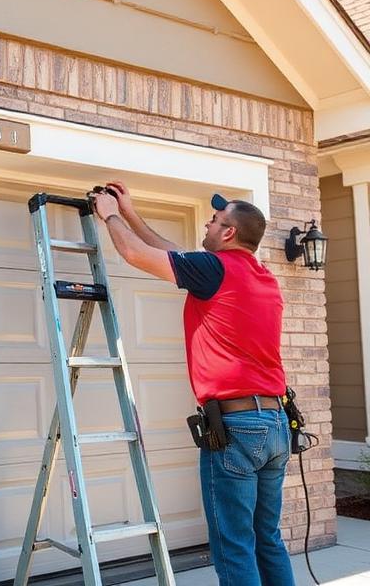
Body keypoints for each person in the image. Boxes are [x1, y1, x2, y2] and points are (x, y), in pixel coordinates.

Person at [91, 182, 295, 586]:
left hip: (238, 429)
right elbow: (175, 255)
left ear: (228, 232)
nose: (207, 223)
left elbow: (135, 254)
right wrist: (130, 213)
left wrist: (108, 213)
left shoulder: (214, 270)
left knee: (233, 545)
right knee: (267, 539)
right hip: (275, 424)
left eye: (215, 220)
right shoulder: (262, 277)